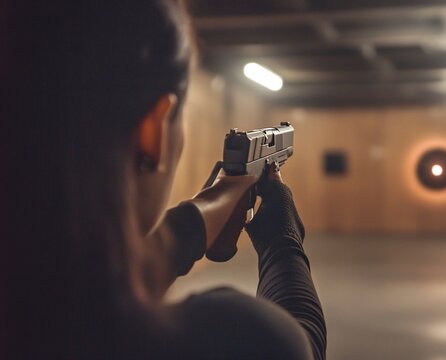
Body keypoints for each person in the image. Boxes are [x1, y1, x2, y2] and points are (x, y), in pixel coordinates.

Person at [1, 1, 326, 359]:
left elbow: (95, 279)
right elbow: (301, 340)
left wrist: (203, 211)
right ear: (152, 132)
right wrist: (283, 241)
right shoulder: (238, 339)